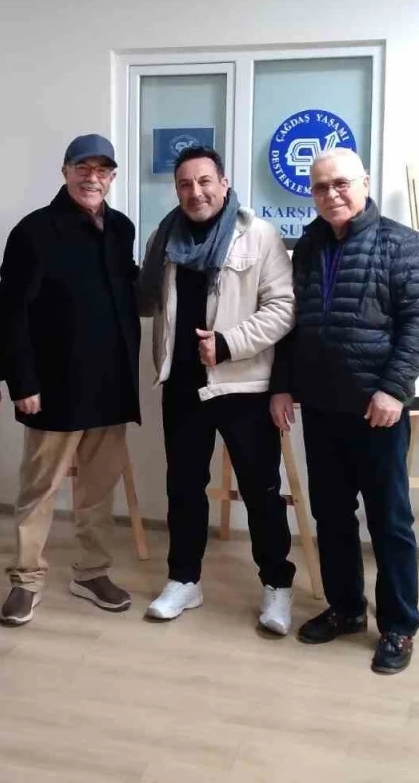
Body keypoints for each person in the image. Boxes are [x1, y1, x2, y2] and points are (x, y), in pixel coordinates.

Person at [269, 148, 419, 675]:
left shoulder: (403, 245)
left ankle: (398, 626)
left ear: (364, 182)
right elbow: (292, 326)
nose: (331, 194)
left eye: (340, 183)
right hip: (321, 407)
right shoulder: (308, 247)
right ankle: (345, 608)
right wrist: (282, 386)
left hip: (376, 410)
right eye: (320, 187)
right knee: (332, 516)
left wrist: (393, 390)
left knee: (390, 521)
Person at [136, 146, 297, 632]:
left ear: (224, 184)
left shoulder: (260, 235)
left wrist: (228, 344)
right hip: (183, 385)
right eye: (185, 184)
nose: (196, 192)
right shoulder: (163, 239)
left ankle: (276, 584)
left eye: (205, 181)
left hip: (243, 384)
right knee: (183, 487)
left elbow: (283, 308)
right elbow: (150, 304)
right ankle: (184, 579)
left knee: (261, 490)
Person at [0, 134, 140, 625]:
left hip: (111, 387)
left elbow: (125, 294)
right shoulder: (33, 231)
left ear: (112, 177)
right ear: (65, 171)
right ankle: (26, 580)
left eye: (102, 170)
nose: (92, 178)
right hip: (53, 387)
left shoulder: (121, 229)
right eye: (83, 167)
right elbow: (12, 313)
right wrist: (22, 383)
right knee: (39, 491)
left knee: (98, 492)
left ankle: (92, 573)